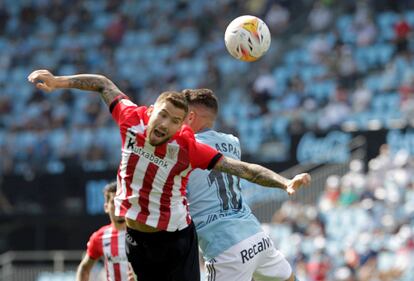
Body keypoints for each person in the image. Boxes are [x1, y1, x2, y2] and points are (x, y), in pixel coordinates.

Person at [28, 69, 311, 281]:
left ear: (182, 126)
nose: (165, 124)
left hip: (177, 239)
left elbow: (244, 169)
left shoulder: (188, 148)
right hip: (137, 238)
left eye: (175, 121)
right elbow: (102, 84)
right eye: (163, 115)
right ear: (152, 111)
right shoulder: (130, 118)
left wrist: (284, 182)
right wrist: (58, 81)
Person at [183, 88, 300, 281]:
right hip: (256, 237)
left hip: (224, 247)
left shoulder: (185, 147)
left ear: (191, 116)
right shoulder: (232, 142)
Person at [76, 182, 136, 281]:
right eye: (114, 202)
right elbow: (84, 269)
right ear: (106, 207)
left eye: (122, 201)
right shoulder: (100, 237)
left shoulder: (142, 233)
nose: (118, 206)